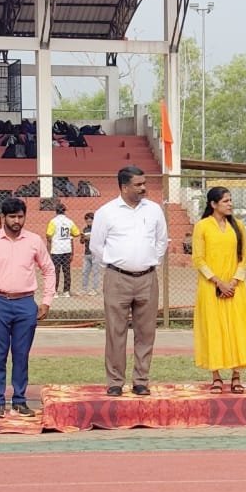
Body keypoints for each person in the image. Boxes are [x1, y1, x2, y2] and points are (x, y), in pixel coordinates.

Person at [88, 165, 168, 396]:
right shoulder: (106, 212)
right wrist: (115, 265)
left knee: (146, 332)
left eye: (144, 183)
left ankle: (141, 380)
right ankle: (115, 382)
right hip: (117, 278)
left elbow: (161, 241)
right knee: (115, 331)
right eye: (138, 184)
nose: (144, 188)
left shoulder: (153, 210)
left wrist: (151, 261)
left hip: (147, 278)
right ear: (124, 187)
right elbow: (96, 246)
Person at [0, 197, 55, 417]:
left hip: (26, 303)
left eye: (20, 216)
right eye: (12, 217)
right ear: (3, 218)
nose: (17, 221)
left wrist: (47, 301)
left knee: (21, 354)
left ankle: (19, 399)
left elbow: (49, 270)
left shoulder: (35, 241)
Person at [192, 186, 246, 393]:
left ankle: (236, 375)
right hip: (210, 286)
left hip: (235, 287)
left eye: (231, 200)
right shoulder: (202, 226)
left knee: (236, 329)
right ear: (213, 204)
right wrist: (218, 282)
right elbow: (198, 258)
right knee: (214, 328)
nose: (230, 204)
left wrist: (232, 282)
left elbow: (245, 257)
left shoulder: (238, 226)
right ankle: (216, 376)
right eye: (225, 201)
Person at [45, 202, 80, 298]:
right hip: (67, 249)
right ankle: (66, 291)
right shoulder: (69, 221)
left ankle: (55, 291)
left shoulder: (53, 221)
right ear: (64, 211)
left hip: (56, 250)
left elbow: (48, 234)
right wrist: (68, 235)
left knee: (56, 271)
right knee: (67, 271)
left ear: (56, 211)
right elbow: (76, 233)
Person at [81, 211, 99, 296]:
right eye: (87, 219)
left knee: (95, 272)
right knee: (85, 272)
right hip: (87, 253)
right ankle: (84, 289)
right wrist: (82, 238)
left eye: (90, 219)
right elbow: (81, 242)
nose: (88, 221)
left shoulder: (97, 229)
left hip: (95, 253)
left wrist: (90, 237)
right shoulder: (85, 229)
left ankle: (94, 289)